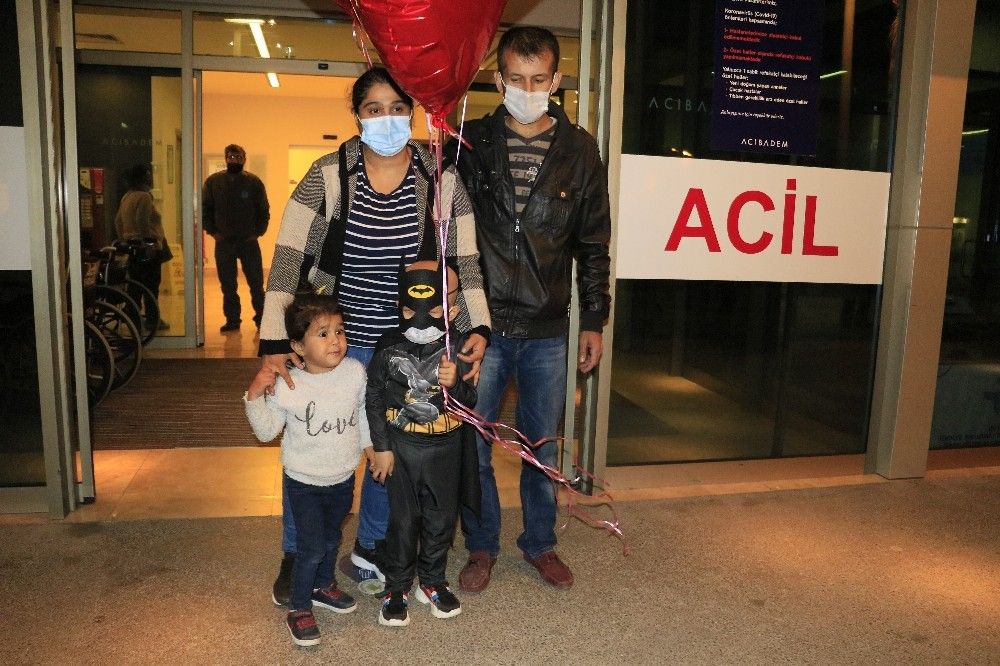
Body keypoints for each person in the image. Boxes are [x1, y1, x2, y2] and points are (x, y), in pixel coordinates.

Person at [254, 66, 491, 607]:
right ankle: (298, 552)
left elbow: (466, 259)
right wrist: (274, 346)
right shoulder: (329, 175)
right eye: (374, 109)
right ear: (357, 116)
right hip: (334, 344)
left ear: (413, 112)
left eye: (397, 108)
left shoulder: (440, 178)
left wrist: (477, 326)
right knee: (316, 447)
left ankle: (372, 546)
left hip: (408, 344)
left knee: (393, 448)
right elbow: (289, 258)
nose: (387, 119)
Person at [449, 26, 612, 591]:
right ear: (499, 81)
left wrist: (594, 320)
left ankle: (540, 544)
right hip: (482, 326)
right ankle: (482, 545)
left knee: (540, 448)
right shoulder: (470, 143)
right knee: (473, 445)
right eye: (515, 80)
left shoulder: (579, 149)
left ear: (556, 80)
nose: (526, 89)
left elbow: (593, 243)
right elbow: (447, 230)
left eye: (538, 79)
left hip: (548, 328)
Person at [244, 294, 368, 647]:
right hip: (303, 483)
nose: (336, 341)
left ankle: (323, 585)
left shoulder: (354, 373)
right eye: (323, 334)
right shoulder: (289, 385)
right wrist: (254, 395)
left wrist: (372, 448)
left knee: (331, 538)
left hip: (343, 477)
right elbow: (266, 431)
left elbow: (361, 413)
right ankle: (298, 607)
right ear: (298, 346)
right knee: (310, 547)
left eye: (340, 331)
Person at [366, 261, 478, 627]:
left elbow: (471, 403)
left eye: (434, 311)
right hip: (402, 446)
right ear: (399, 308)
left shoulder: (458, 346)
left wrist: (455, 384)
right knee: (403, 520)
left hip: (446, 446)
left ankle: (431, 580)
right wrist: (381, 446)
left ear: (451, 312)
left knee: (441, 517)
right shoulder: (389, 346)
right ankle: (397, 586)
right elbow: (374, 396)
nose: (420, 320)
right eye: (408, 311)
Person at [202, 143, 270, 333]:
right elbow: (205, 209)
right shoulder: (213, 182)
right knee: (228, 285)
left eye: (238, 157)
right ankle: (232, 320)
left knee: (256, 284)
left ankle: (262, 319)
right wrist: (213, 232)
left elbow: (264, 209)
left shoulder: (254, 182)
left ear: (244, 159)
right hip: (224, 242)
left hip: (249, 242)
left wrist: (258, 232)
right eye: (231, 157)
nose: (234, 160)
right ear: (225, 158)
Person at [115, 163, 168, 333]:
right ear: (144, 176)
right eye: (149, 174)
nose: (151, 177)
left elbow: (118, 221)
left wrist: (125, 239)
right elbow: (142, 221)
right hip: (146, 247)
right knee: (151, 285)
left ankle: (133, 317)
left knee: (136, 285)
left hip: (132, 247)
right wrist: (149, 243)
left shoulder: (127, 196)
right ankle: (152, 320)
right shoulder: (144, 197)